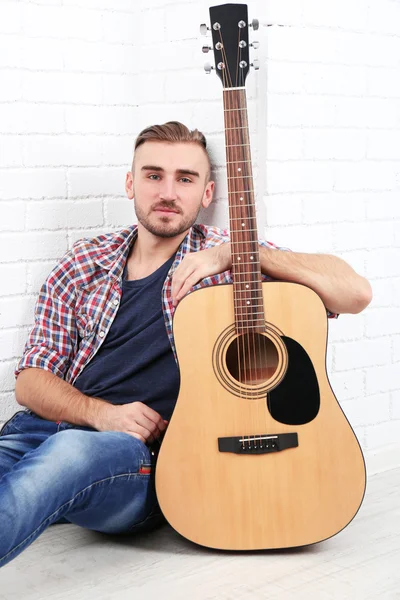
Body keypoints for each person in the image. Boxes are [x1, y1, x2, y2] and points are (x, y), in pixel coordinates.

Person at [0, 121, 372, 568]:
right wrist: (101, 413)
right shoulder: (84, 261)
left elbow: (355, 293)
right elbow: (31, 381)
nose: (168, 192)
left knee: (70, 453)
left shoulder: (227, 263)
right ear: (130, 183)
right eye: (154, 175)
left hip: (139, 457)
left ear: (208, 193)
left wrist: (243, 251)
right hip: (42, 430)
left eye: (186, 179)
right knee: (55, 452)